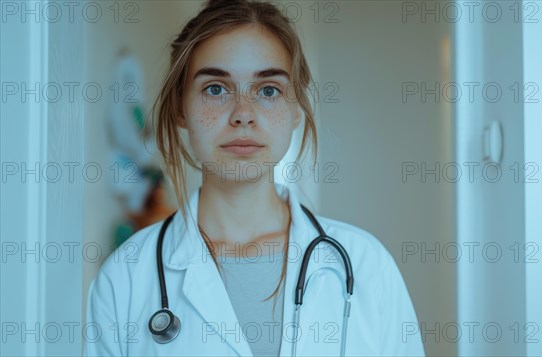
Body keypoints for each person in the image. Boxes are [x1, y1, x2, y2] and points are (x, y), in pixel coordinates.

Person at [85, 0, 424, 356]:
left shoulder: (367, 264)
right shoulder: (124, 278)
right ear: (179, 107)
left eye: (268, 90)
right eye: (215, 88)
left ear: (296, 108)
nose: (243, 115)